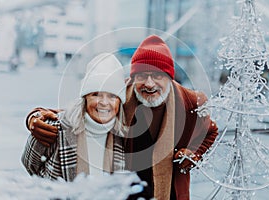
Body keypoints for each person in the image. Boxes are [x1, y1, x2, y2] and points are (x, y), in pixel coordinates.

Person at [25, 35, 218, 200]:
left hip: (170, 192)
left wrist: (193, 153)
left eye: (157, 75)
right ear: (133, 78)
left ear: (169, 76)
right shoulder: (120, 93)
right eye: (142, 75)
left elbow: (211, 131)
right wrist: (35, 116)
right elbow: (84, 109)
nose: (149, 83)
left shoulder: (193, 102)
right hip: (131, 187)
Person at [21, 53, 127, 181]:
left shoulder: (123, 136)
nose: (104, 102)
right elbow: (30, 165)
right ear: (85, 97)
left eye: (112, 96)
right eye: (96, 94)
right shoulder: (54, 127)